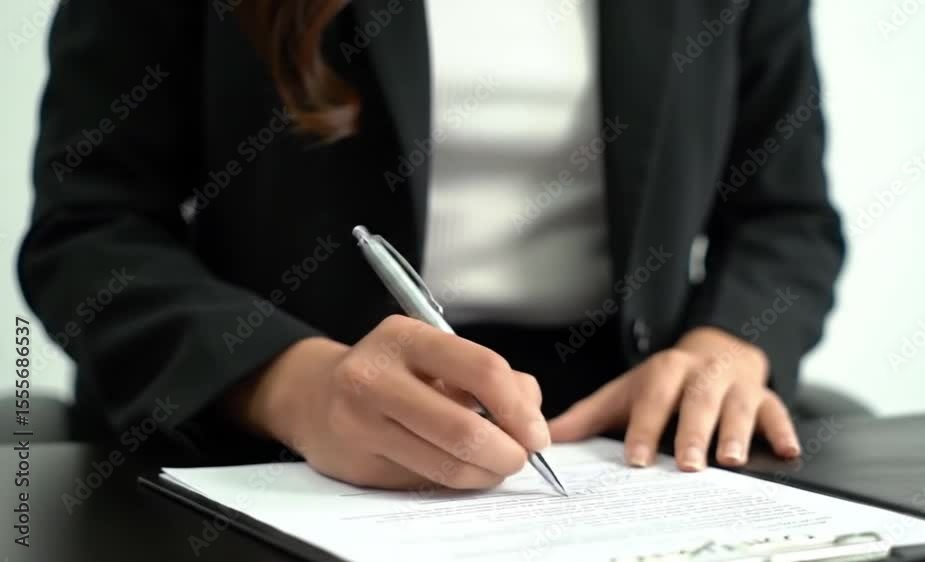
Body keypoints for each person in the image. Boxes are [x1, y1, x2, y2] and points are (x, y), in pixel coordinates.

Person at [20, 0, 843, 491]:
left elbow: (786, 217)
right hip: (270, 419)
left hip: (621, 428)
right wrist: (289, 385)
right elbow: (89, 229)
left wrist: (727, 343)